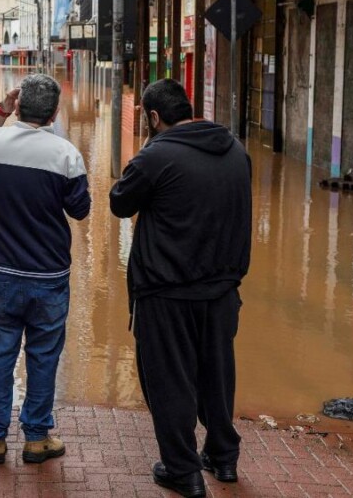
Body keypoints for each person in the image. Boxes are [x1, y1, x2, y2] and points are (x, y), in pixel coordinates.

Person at [109, 79, 251, 498]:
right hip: (223, 289)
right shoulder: (236, 150)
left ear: (154, 117)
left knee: (170, 382)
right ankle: (223, 459)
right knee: (217, 375)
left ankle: (182, 470)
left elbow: (120, 203)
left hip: (166, 291)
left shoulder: (156, 156)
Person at [0, 73, 91, 466]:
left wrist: (0, 111)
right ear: (54, 113)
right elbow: (80, 210)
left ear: (17, 106)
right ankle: (37, 438)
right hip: (49, 277)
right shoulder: (66, 155)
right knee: (43, 356)